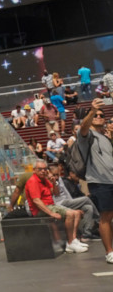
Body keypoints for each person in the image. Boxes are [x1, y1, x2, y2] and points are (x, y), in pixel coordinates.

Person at [24, 159, 88, 253]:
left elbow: (56, 193)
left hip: (51, 205)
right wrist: (51, 213)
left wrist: (54, 182)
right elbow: (37, 201)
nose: (43, 171)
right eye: (40, 169)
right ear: (34, 170)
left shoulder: (44, 180)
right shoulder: (33, 181)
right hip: (41, 209)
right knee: (70, 214)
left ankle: (73, 240)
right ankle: (70, 243)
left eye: (45, 169)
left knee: (77, 213)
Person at [78, 100, 113, 264]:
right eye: (96, 115)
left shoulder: (105, 138)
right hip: (99, 181)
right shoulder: (87, 135)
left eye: (101, 115)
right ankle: (109, 252)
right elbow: (83, 128)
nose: (99, 116)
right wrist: (92, 111)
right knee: (105, 216)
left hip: (111, 180)